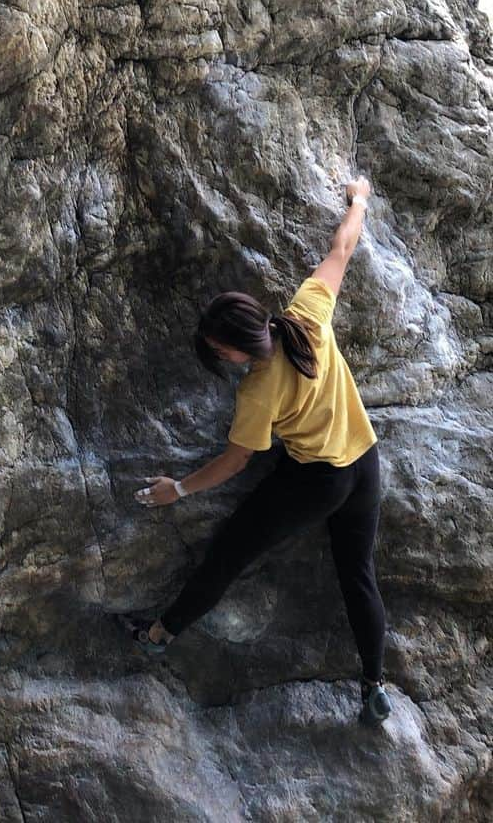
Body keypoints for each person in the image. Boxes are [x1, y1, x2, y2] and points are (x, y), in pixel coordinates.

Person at [119, 176, 391, 727]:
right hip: (365, 460)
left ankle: (159, 633)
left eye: (219, 351)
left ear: (237, 348)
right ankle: (373, 686)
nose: (218, 357)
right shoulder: (306, 316)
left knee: (230, 552)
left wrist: (180, 488)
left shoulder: (257, 392)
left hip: (317, 482)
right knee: (358, 573)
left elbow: (236, 460)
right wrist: (359, 199)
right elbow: (342, 248)